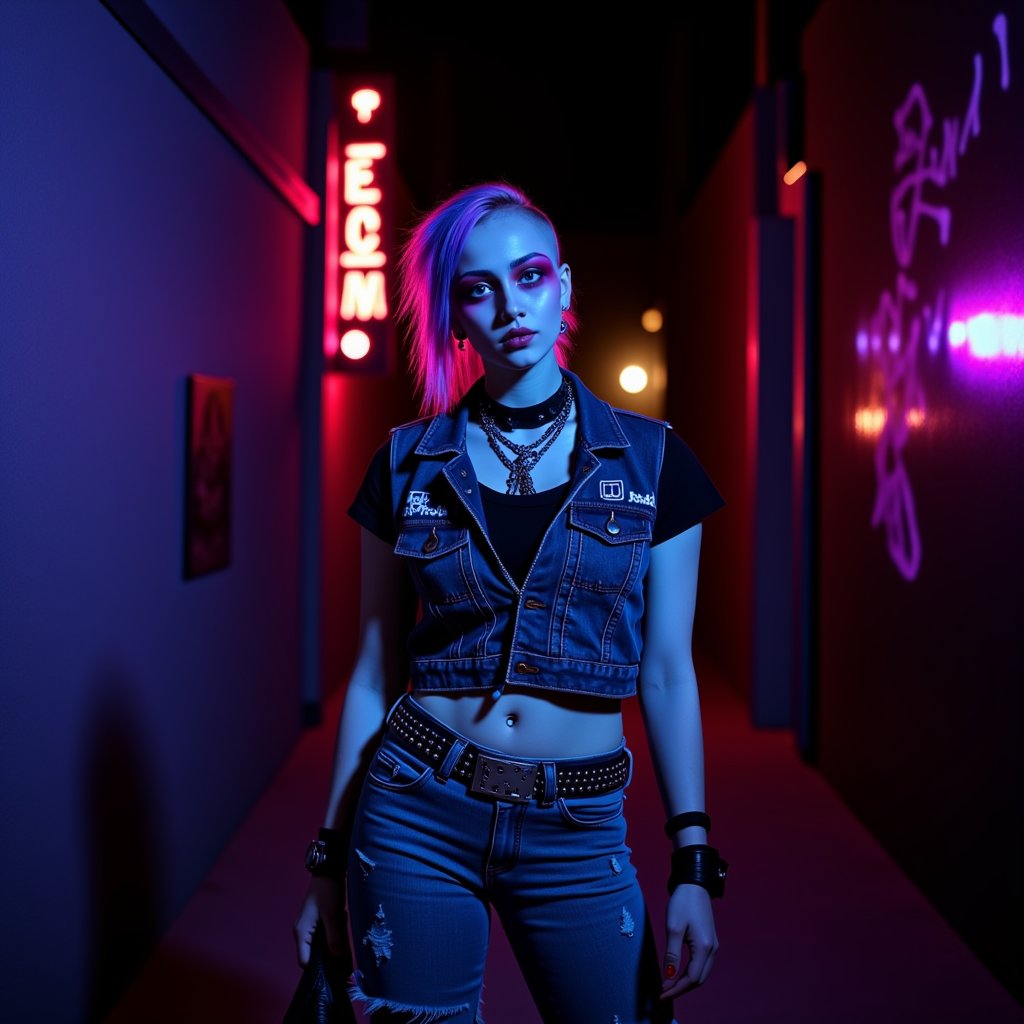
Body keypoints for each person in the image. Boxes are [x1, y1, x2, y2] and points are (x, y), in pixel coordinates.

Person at [293, 182, 726, 1024]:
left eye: (528, 277)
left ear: (563, 286)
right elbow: (376, 672)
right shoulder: (404, 463)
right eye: (478, 288)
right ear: (455, 314)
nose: (508, 307)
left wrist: (694, 858)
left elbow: (668, 674)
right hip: (416, 805)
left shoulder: (654, 462)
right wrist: (326, 860)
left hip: (578, 821)